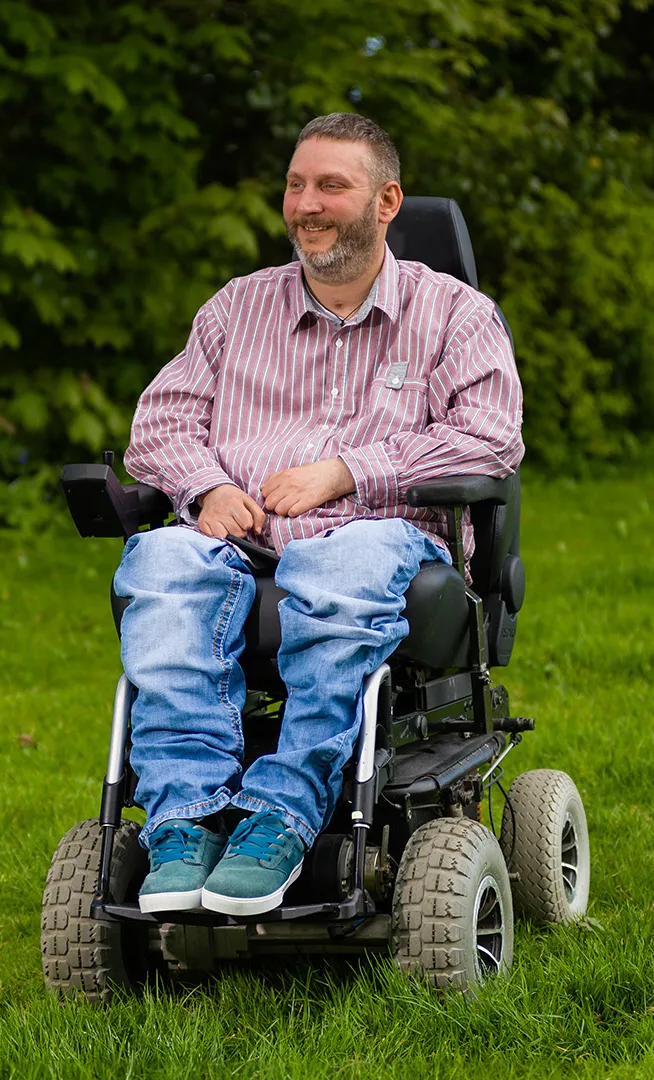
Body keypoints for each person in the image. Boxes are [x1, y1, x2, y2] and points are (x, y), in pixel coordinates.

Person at [117, 113, 523, 916]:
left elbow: (489, 440)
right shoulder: (237, 309)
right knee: (159, 564)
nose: (307, 202)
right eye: (297, 184)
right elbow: (158, 424)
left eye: (331, 184)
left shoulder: (456, 316)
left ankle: (281, 815)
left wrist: (348, 470)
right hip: (241, 537)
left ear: (386, 201)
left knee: (341, 563)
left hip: (379, 537)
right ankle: (184, 821)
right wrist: (204, 488)